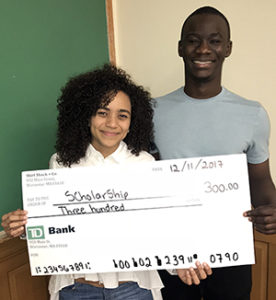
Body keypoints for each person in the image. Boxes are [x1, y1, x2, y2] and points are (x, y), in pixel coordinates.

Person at [1, 64, 211, 300]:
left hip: (134, 288)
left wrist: (178, 263)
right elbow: (55, 225)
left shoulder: (144, 163)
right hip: (75, 288)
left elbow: (159, 225)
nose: (112, 123)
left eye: (122, 115)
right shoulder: (61, 163)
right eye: (102, 112)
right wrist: (22, 227)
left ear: (132, 121)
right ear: (85, 115)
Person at [153, 6, 276, 300]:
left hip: (231, 250)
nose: (204, 49)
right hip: (173, 252)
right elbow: (142, 178)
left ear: (228, 48)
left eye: (215, 40)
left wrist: (273, 211)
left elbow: (260, 182)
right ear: (181, 48)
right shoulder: (151, 111)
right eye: (194, 40)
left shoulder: (253, 114)